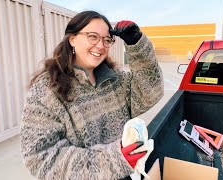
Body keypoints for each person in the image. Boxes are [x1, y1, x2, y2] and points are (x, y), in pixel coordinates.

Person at [20, 10, 163, 179]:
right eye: (93, 37)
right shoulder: (47, 90)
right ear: (72, 39)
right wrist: (115, 160)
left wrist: (137, 46)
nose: (101, 45)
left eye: (106, 40)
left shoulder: (114, 80)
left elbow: (150, 92)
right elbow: (40, 158)